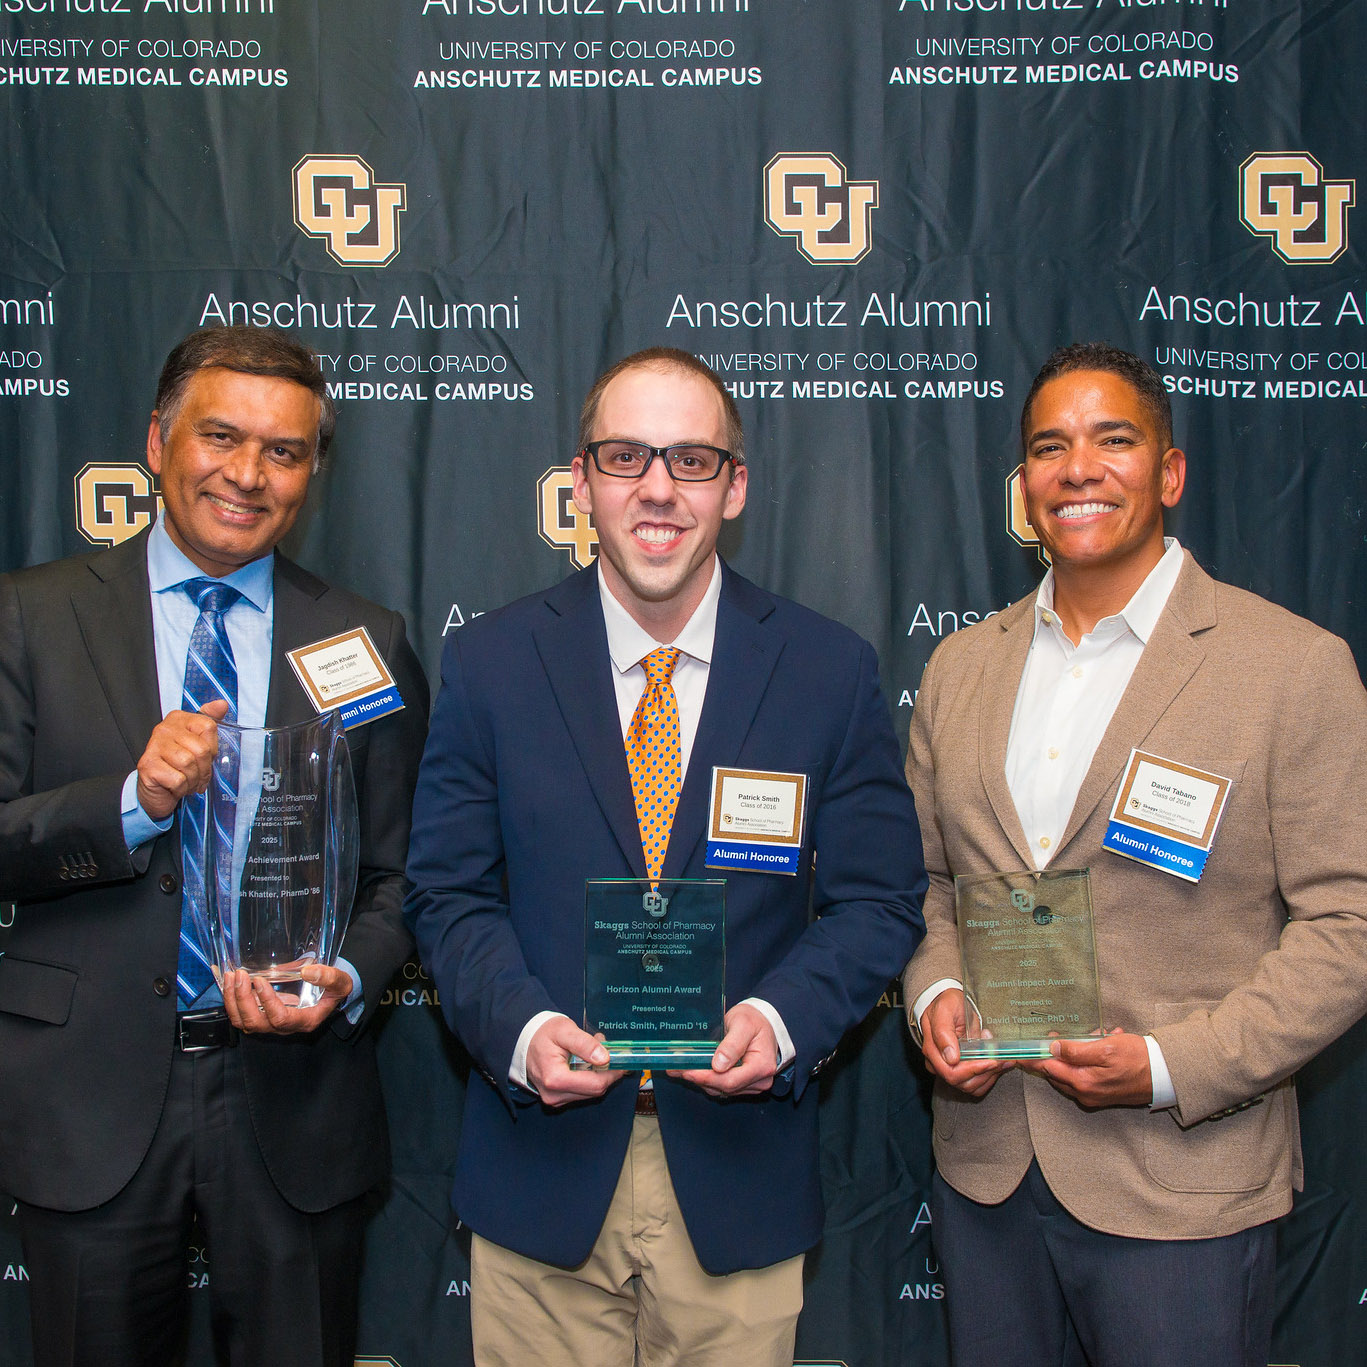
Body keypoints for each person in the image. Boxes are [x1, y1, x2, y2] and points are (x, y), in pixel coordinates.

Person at [405, 346, 925, 1366]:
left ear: (735, 486)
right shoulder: (492, 662)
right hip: (541, 1170)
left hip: (738, 1174)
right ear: (581, 481)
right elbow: (445, 893)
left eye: (690, 459)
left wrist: (779, 1021)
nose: (656, 488)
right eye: (625, 456)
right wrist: (524, 1030)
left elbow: (878, 900)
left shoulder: (826, 669)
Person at [903, 341, 1367, 1366]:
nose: (1077, 468)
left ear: (1168, 472)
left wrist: (1167, 1066)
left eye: (1111, 440)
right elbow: (929, 883)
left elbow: (1349, 926)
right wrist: (934, 991)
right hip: (987, 1174)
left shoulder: (1290, 667)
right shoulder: (958, 668)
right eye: (1048, 447)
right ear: (1023, 483)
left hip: (1181, 1183)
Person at [0, 326, 429, 1367]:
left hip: (297, 1101)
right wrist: (133, 800)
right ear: (158, 442)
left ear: (311, 472)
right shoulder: (30, 617)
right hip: (90, 1096)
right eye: (220, 436)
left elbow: (403, 873)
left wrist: (346, 974)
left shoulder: (365, 640)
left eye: (283, 450)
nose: (247, 473)